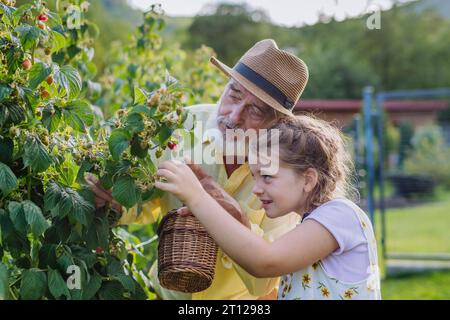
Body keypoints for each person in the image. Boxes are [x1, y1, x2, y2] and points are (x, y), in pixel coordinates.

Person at [86, 39, 310, 299]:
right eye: (234, 94)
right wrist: (116, 203)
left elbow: (268, 279)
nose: (234, 116)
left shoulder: (286, 172)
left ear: (277, 124)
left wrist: (237, 219)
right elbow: (147, 204)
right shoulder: (181, 125)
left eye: (255, 111)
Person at [155, 116, 381, 300]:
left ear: (308, 180)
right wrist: (237, 218)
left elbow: (264, 262)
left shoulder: (340, 214)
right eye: (255, 177)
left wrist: (196, 197)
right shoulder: (309, 227)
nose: (256, 189)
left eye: (267, 177)